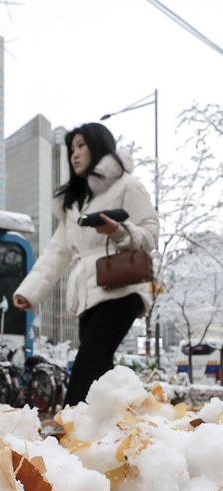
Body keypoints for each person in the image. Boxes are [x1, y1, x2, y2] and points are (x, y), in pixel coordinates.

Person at [13, 122, 159, 406]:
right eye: (71, 149)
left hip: (121, 289)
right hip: (87, 297)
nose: (74, 154)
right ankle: (113, 431)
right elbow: (56, 252)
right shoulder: (75, 205)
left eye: (81, 146)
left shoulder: (128, 185)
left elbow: (150, 235)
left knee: (88, 362)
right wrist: (29, 291)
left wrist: (118, 231)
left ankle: (69, 425)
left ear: (98, 146)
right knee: (100, 372)